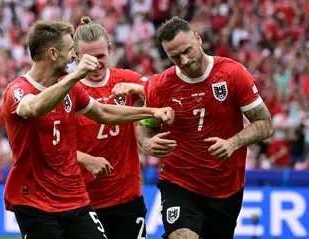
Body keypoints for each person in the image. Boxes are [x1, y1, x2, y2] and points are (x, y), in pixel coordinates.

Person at [2, 20, 174, 239]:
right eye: (70, 52)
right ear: (53, 54)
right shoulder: (18, 90)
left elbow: (103, 113)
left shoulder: (71, 89)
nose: (73, 57)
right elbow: (34, 107)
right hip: (34, 200)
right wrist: (75, 76)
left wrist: (151, 112)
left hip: (74, 198)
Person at [112, 16, 273, 239]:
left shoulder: (233, 74)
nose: (184, 60)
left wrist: (232, 143)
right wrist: (147, 142)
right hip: (179, 182)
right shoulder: (160, 85)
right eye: (175, 56)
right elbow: (145, 124)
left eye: (187, 51)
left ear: (198, 39)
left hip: (226, 186)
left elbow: (265, 123)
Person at [73, 16, 148, 239]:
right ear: (75, 56)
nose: (96, 63)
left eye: (101, 56)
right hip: (82, 200)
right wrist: (85, 159)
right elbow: (50, 145)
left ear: (110, 49)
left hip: (127, 197)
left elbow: (163, 95)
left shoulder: (127, 79)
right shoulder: (65, 89)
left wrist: (139, 89)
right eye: (88, 57)